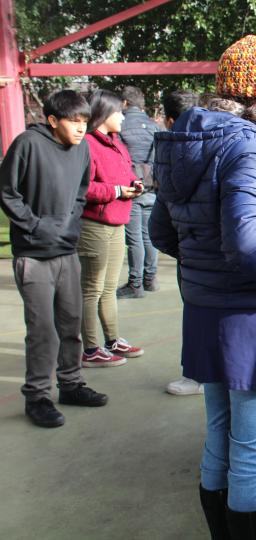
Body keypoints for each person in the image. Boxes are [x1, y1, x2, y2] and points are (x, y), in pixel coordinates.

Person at [149, 35, 256, 538]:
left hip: (205, 311)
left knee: (219, 437)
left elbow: (162, 230)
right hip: (253, 319)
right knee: (250, 454)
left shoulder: (187, 141)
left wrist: (206, 266)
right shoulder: (247, 145)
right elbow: (249, 238)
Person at [0, 90, 109, 428]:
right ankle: (38, 396)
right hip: (34, 256)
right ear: (52, 121)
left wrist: (69, 224)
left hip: (67, 252)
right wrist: (36, 226)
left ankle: (72, 384)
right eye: (74, 122)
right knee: (43, 331)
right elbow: (7, 192)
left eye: (84, 122)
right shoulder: (27, 145)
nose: (80, 129)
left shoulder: (83, 149)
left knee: (70, 324)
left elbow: (80, 191)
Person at [80, 90, 144, 367]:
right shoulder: (88, 144)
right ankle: (91, 348)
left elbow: (127, 171)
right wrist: (117, 190)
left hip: (117, 220)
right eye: (119, 112)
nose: (123, 117)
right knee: (92, 288)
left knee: (108, 287)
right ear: (104, 114)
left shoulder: (116, 142)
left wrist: (134, 184)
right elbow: (84, 187)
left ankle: (112, 340)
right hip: (93, 225)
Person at [157, 90, 206, 397]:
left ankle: (199, 374)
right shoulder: (227, 147)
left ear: (170, 120)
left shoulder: (174, 152)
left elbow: (160, 229)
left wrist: (186, 249)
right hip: (214, 252)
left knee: (198, 311)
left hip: (193, 251)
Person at [117, 85, 160, 299]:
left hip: (131, 187)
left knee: (134, 238)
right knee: (148, 236)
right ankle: (150, 279)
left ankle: (135, 284)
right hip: (152, 186)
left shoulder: (120, 126)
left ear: (124, 103)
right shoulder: (154, 126)